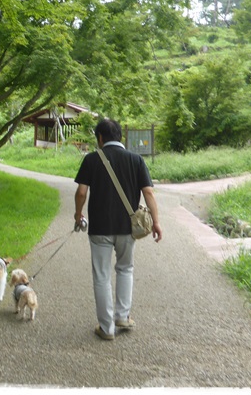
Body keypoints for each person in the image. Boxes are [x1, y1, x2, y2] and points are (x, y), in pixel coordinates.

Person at [74, 118, 162, 341]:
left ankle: (106, 328)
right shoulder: (136, 160)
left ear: (100, 138)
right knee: (125, 269)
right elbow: (149, 193)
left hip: (100, 229)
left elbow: (82, 193)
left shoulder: (92, 159)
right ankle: (122, 316)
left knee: (102, 276)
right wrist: (157, 223)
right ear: (120, 137)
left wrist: (78, 214)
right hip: (127, 228)